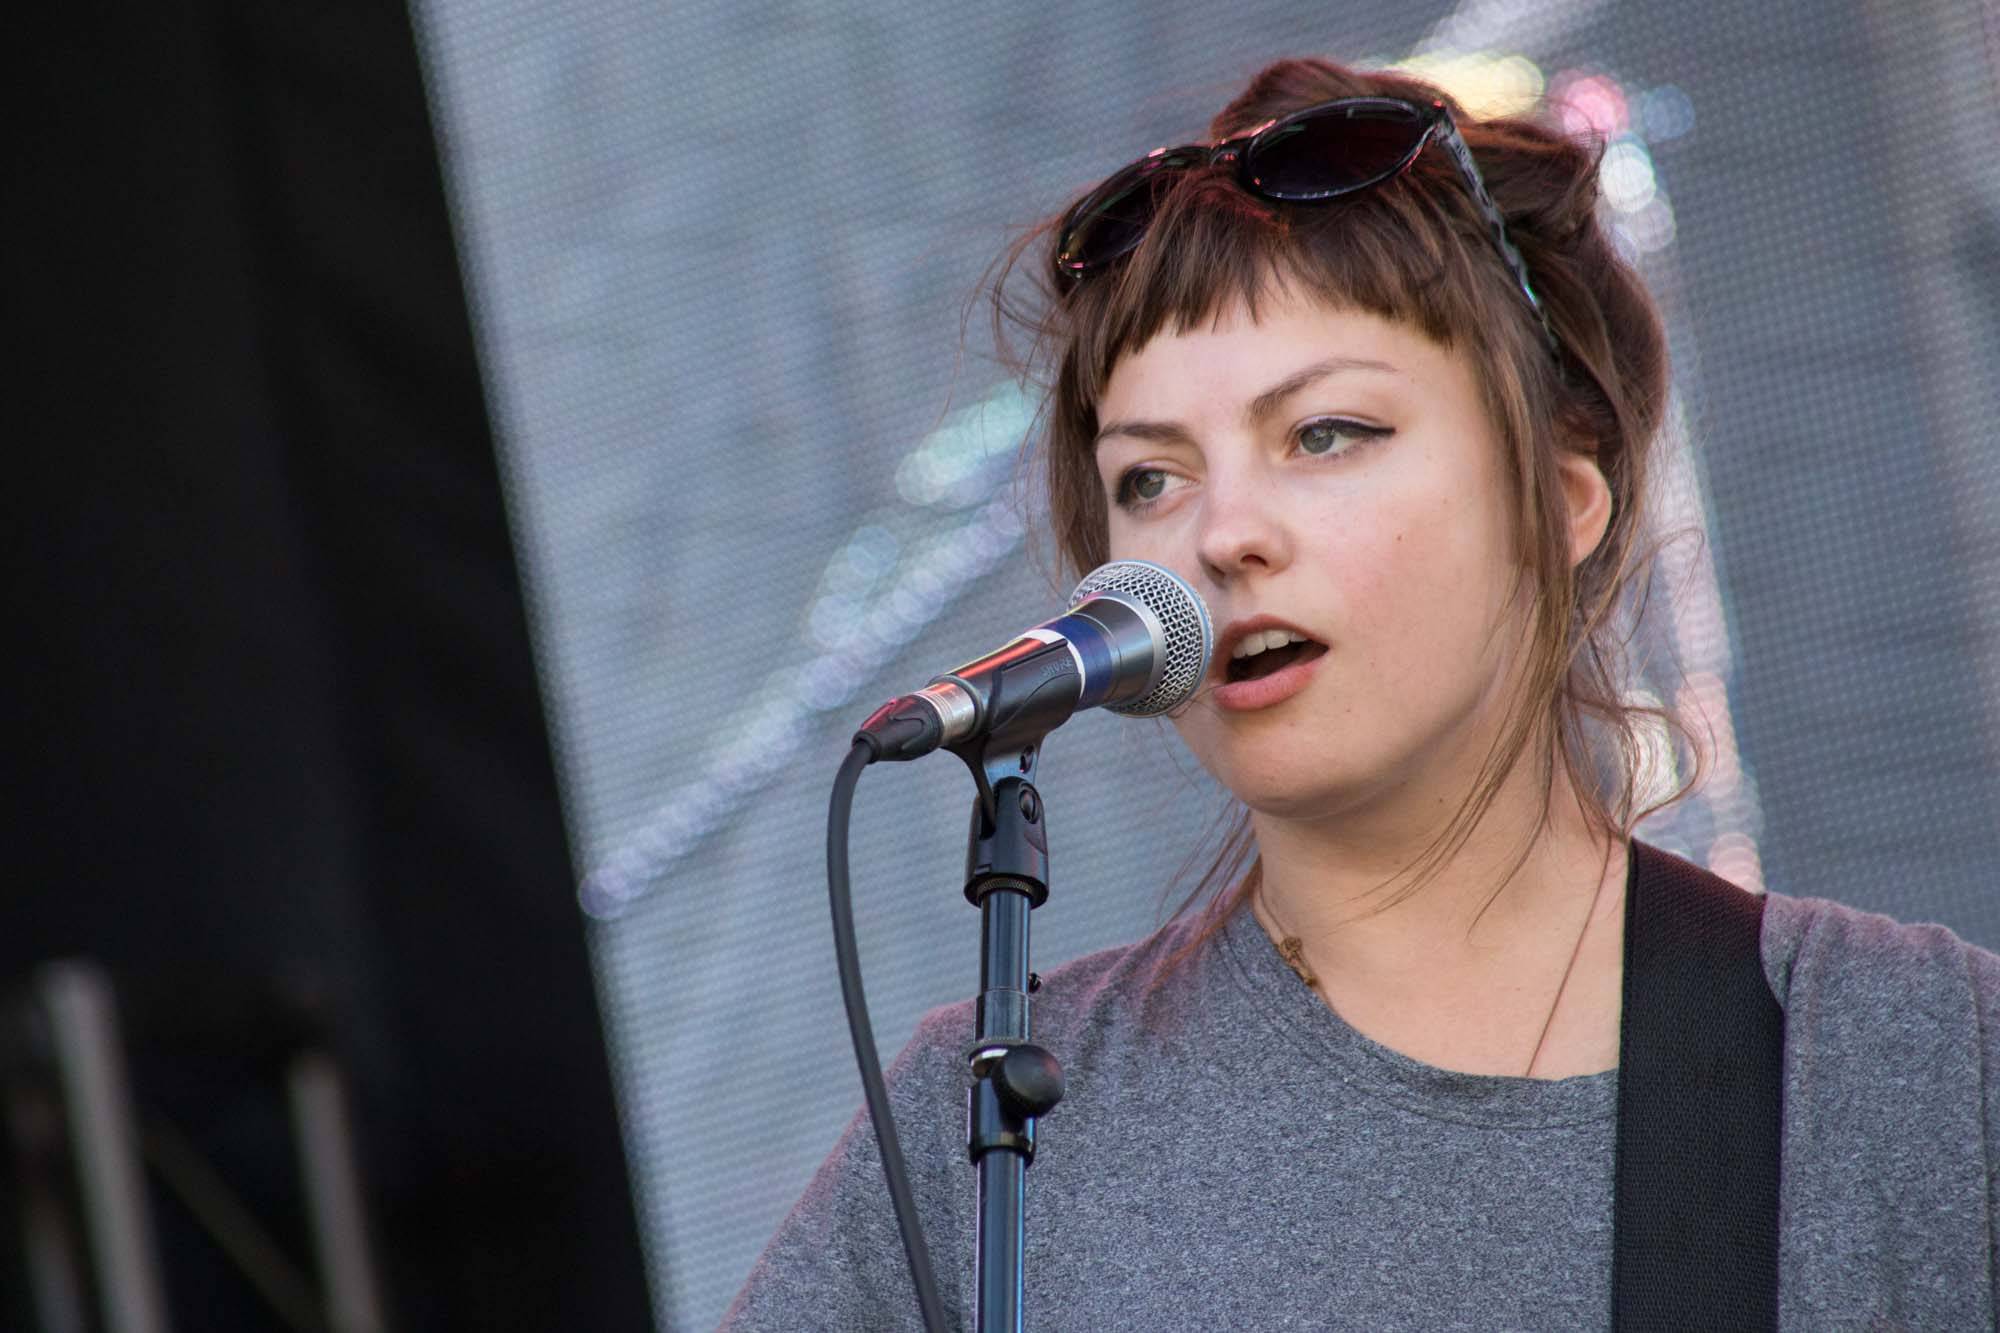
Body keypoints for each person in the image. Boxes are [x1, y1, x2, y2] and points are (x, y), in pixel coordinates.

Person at [722, 56, 2000, 1330]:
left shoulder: (1912, 1062)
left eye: (1324, 433)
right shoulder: (985, 1132)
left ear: (1558, 503)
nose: (1223, 534)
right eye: (1151, 479)